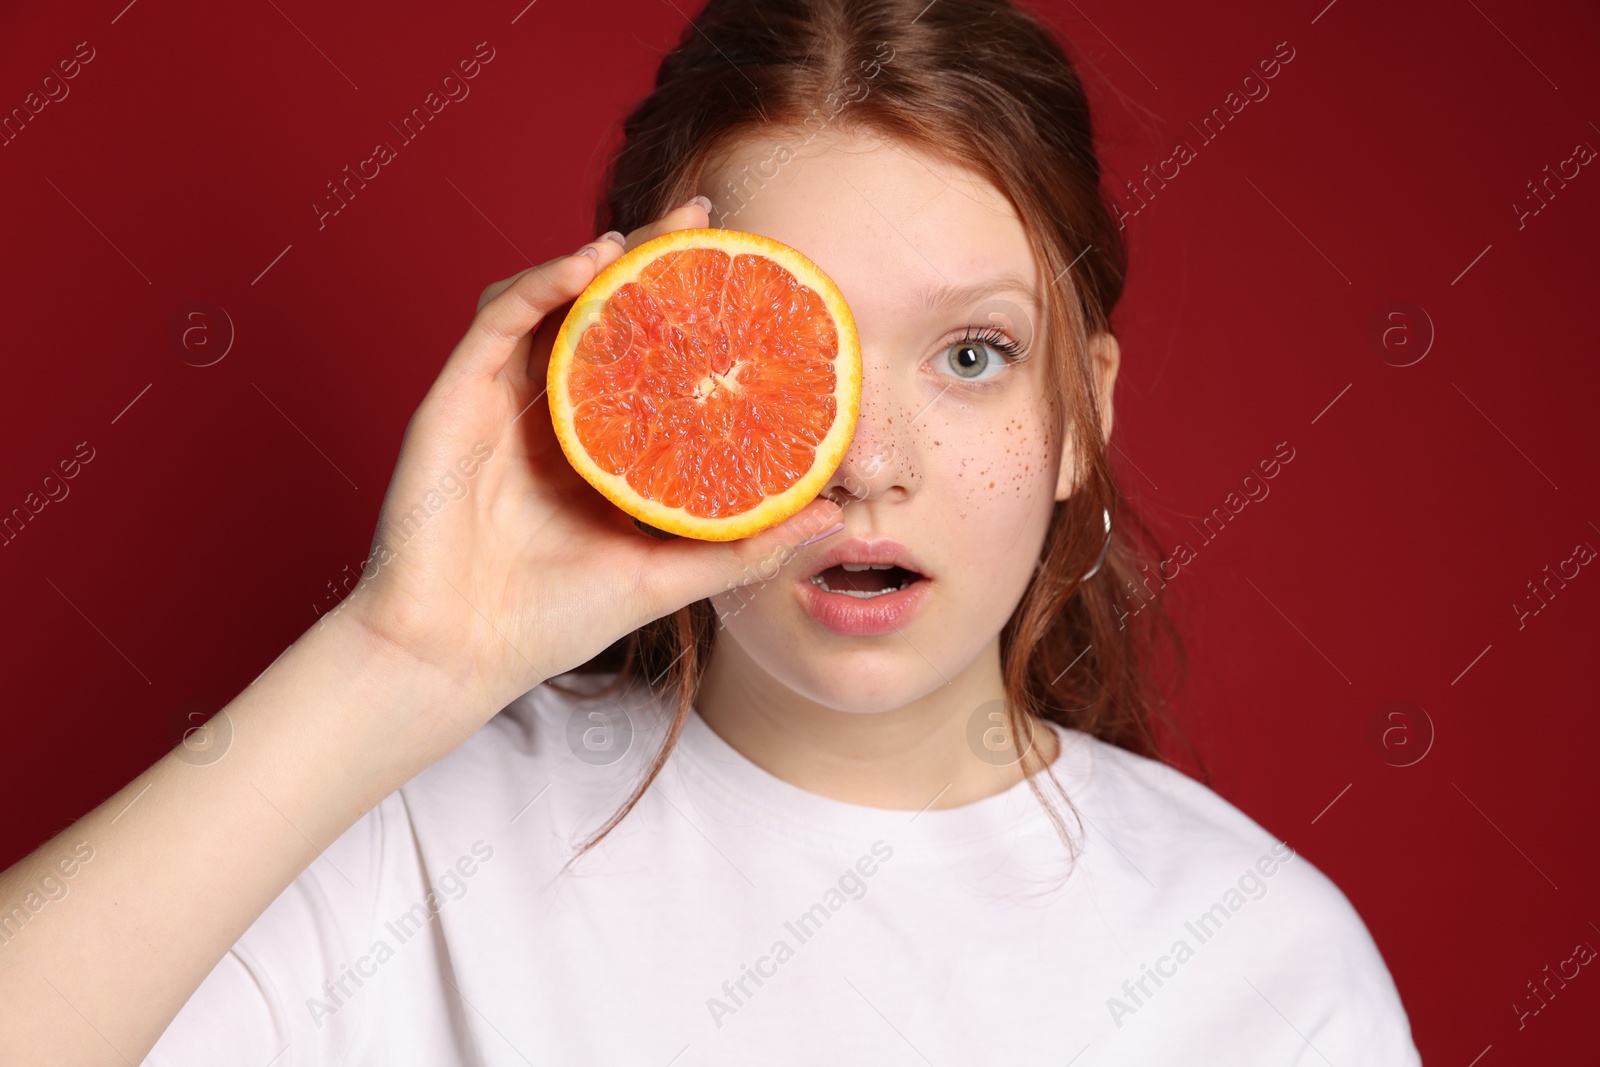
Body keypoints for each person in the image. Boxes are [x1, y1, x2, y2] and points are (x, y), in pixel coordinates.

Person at [0, 0, 1423, 1062]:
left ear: (1080, 417)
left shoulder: (1259, 960)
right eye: (778, 361)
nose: (867, 463)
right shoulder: (403, 851)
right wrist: (397, 655)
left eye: (974, 354)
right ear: (632, 380)